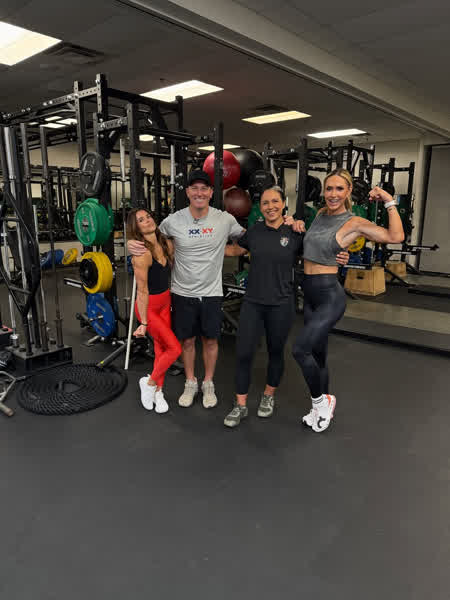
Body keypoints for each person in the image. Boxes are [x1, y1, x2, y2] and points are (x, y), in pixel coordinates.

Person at [222, 186, 350, 428]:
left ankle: (268, 395)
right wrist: (199, 248)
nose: (270, 207)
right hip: (253, 302)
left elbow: (318, 252)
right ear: (260, 208)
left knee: (275, 352)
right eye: (265, 203)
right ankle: (240, 405)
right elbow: (238, 249)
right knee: (243, 353)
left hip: (281, 303)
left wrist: (341, 256)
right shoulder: (255, 231)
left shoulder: (295, 232)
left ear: (283, 204)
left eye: (275, 202)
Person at [290, 168, 404, 433]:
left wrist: (389, 201)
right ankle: (320, 411)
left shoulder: (354, 222)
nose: (333, 194)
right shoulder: (320, 214)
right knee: (317, 356)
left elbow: (395, 237)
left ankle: (322, 402)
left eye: (339, 189)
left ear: (349, 191)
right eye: (329, 188)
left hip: (329, 295)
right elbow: (313, 248)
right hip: (309, 293)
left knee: (299, 350)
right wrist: (296, 226)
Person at [127, 170, 245, 409]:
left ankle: (208, 383)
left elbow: (248, 239)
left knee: (210, 341)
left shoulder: (225, 219)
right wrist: (130, 242)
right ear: (188, 192)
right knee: (187, 341)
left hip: (212, 292)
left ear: (211, 192)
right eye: (194, 188)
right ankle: (190, 382)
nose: (199, 193)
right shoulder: (173, 221)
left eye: (204, 188)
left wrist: (281, 225)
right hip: (182, 293)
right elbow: (151, 238)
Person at [127, 208, 181, 413]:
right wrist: (143, 323)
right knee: (174, 349)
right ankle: (149, 384)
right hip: (148, 308)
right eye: (141, 220)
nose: (148, 220)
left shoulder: (166, 243)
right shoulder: (141, 255)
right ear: (136, 228)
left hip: (165, 302)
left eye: (148, 216)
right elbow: (141, 291)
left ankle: (159, 392)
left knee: (161, 350)